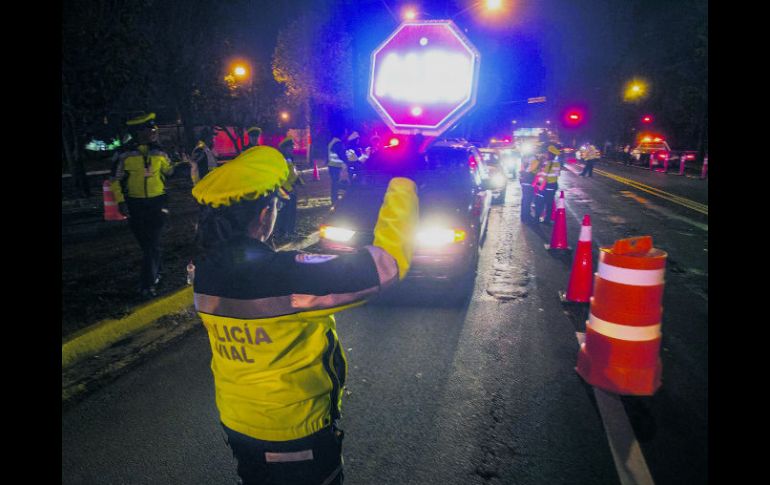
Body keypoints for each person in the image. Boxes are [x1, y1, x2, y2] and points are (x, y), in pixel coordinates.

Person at [189, 145, 419, 485]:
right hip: (293, 431)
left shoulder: (203, 270)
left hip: (237, 422)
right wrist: (402, 182)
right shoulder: (285, 276)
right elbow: (385, 267)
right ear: (265, 215)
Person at [109, 112, 176, 298]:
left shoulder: (160, 152)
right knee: (147, 244)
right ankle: (158, 271)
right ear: (140, 132)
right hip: (135, 204)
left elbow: (169, 172)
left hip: (158, 202)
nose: (155, 132)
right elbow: (115, 180)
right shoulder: (123, 154)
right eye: (151, 129)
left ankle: (147, 284)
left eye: (155, 129)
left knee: (152, 243)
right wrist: (121, 202)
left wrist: (178, 163)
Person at [275, 137, 305, 237]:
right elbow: (281, 178)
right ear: (284, 148)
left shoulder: (289, 158)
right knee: (284, 212)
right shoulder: (281, 160)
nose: (292, 149)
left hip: (291, 189)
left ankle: (290, 231)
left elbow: (292, 173)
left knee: (291, 212)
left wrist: (299, 181)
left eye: (292, 147)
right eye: (290, 147)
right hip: (284, 190)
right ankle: (281, 233)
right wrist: (289, 189)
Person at [533, 144, 562, 223]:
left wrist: (538, 187)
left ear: (551, 154)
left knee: (540, 202)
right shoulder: (557, 163)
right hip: (553, 185)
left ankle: (537, 219)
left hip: (546, 186)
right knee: (549, 204)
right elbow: (558, 174)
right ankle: (547, 220)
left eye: (547, 153)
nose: (546, 154)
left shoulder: (548, 163)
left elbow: (543, 177)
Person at [519, 153, 542, 224]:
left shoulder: (525, 159)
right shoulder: (534, 160)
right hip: (529, 183)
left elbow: (522, 171)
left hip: (524, 182)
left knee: (525, 200)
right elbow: (533, 171)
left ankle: (524, 216)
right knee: (527, 201)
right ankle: (526, 217)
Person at [326, 133, 347, 203]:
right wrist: (347, 161)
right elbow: (341, 154)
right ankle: (334, 199)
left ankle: (334, 198)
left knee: (334, 183)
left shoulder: (333, 141)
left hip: (332, 165)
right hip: (335, 166)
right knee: (335, 183)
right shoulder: (337, 143)